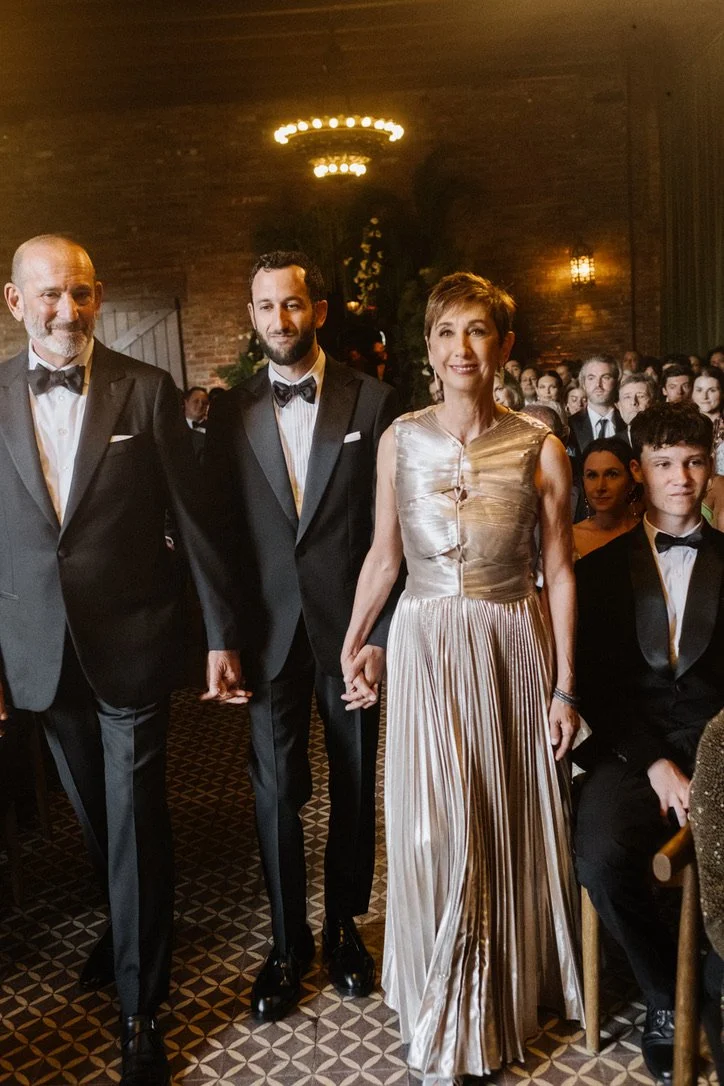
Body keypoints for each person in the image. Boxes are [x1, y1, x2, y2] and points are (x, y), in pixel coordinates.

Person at [0, 235, 241, 1086]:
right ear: (15, 302)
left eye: (80, 293)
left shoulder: (146, 388)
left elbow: (195, 520)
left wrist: (220, 635)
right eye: (50, 295)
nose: (67, 310)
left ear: (97, 296)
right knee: (101, 819)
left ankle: (141, 1010)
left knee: (134, 812)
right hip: (39, 651)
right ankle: (134, 917)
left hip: (136, 639)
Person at [341, 271, 584, 1083]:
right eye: (446, 332)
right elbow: (385, 555)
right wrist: (355, 638)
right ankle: (442, 993)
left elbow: (559, 570)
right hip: (424, 644)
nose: (461, 348)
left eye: (477, 330)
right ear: (428, 347)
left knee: (497, 822)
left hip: (509, 642)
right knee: (433, 830)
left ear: (503, 346)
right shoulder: (399, 440)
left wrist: (566, 687)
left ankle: (497, 1001)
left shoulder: (541, 447)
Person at [204, 250, 399, 1023]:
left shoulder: (374, 401)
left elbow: (397, 534)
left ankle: (345, 926)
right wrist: (223, 634)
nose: (278, 319)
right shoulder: (230, 411)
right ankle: (287, 943)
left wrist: (380, 634)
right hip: (266, 634)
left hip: (351, 631)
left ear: (318, 311)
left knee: (354, 785)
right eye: (265, 306)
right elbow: (218, 535)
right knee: (276, 792)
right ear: (252, 316)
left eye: (291, 304)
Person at [574, 401, 724, 1086]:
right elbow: (598, 688)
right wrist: (658, 763)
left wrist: (709, 765)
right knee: (600, 856)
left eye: (693, 462)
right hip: (633, 748)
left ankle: (714, 986)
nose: (680, 478)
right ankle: (664, 991)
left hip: (718, 745)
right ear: (639, 471)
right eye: (664, 464)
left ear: (710, 467)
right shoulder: (600, 570)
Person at [572, 437, 639, 559]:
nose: (600, 487)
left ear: (632, 481)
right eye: (592, 475)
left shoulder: (648, 533)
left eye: (612, 474)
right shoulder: (569, 538)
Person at [569, 353, 626, 452]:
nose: (598, 384)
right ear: (583, 384)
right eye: (591, 378)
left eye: (605, 377)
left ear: (617, 383)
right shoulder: (570, 426)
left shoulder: (627, 422)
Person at [692, 366, 724, 472]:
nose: (704, 396)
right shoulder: (683, 425)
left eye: (712, 390)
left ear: (722, 393)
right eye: (699, 390)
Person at [617, 372, 658, 442]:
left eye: (641, 396)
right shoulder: (612, 444)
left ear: (653, 403)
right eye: (627, 397)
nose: (633, 402)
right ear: (619, 405)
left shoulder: (665, 441)